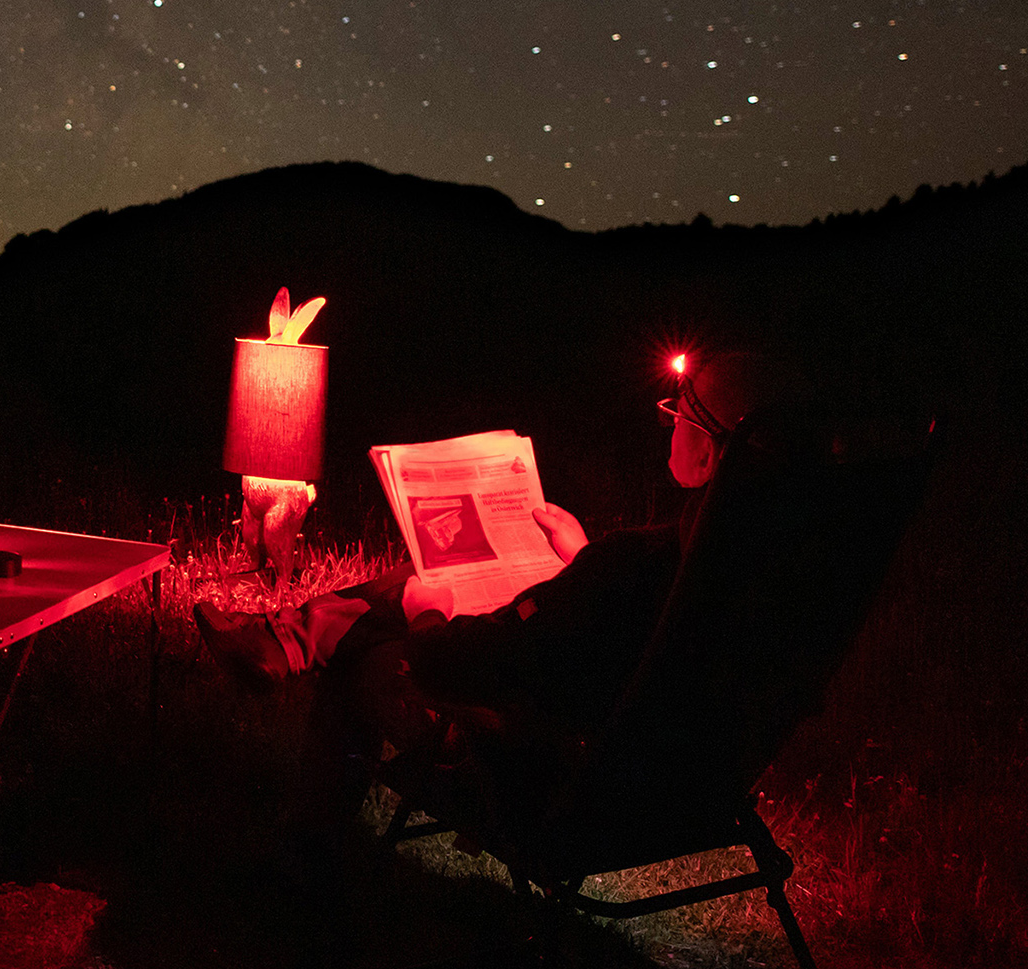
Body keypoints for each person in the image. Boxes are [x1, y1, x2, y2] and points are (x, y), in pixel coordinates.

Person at [195, 349, 803, 839]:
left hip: (535, 777)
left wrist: (428, 614)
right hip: (686, 789)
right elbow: (610, 629)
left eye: (677, 418)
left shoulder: (634, 565)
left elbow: (467, 662)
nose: (669, 428)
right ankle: (286, 641)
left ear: (702, 450)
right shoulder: (769, 572)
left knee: (374, 646)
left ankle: (308, 847)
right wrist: (582, 563)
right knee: (419, 583)